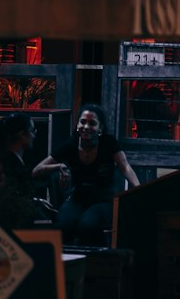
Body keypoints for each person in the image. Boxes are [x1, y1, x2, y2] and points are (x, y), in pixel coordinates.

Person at [33, 104, 139, 245]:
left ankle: (94, 262)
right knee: (63, 225)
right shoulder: (70, 145)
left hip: (104, 200)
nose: (86, 127)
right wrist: (59, 166)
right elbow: (36, 170)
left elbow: (125, 167)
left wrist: (138, 189)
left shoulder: (109, 143)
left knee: (88, 224)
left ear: (100, 128)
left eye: (92, 123)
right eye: (82, 122)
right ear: (77, 125)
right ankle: (65, 263)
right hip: (78, 199)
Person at [0, 111, 45, 229]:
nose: (34, 135)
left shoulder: (3, 160)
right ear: (22, 134)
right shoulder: (14, 168)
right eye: (33, 131)